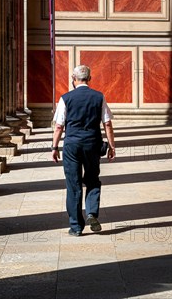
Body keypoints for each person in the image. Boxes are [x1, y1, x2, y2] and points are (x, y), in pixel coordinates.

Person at [51, 65, 116, 237]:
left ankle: (76, 227)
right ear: (90, 78)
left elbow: (59, 126)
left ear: (74, 78)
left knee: (74, 184)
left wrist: (54, 147)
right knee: (93, 180)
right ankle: (92, 213)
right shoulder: (99, 97)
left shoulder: (65, 98)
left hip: (72, 145)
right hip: (92, 144)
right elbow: (107, 123)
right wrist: (111, 146)